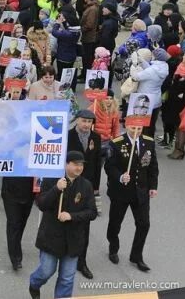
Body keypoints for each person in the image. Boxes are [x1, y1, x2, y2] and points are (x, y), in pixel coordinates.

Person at [28, 151, 97, 299]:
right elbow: (41, 204)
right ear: (66, 164)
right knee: (46, 271)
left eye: (81, 165)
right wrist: (56, 189)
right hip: (51, 237)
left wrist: (71, 216)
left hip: (73, 241)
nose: (79, 168)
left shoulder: (86, 185)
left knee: (67, 278)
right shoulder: (52, 180)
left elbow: (92, 212)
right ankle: (34, 283)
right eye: (75, 164)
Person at [105, 122, 158, 272]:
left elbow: (153, 166)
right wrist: (120, 177)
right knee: (115, 223)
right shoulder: (116, 143)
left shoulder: (148, 142)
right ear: (127, 126)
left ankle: (137, 256)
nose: (136, 131)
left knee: (144, 224)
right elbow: (109, 166)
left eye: (139, 128)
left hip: (141, 191)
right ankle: (113, 248)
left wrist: (153, 186)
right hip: (121, 192)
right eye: (133, 128)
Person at [67, 110, 102, 279]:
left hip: (87, 186)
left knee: (84, 226)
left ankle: (82, 262)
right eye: (83, 121)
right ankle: (65, 257)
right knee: (66, 221)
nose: (86, 124)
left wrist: (95, 187)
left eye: (89, 121)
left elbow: (96, 164)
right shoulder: (67, 136)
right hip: (69, 184)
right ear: (77, 121)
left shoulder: (96, 137)